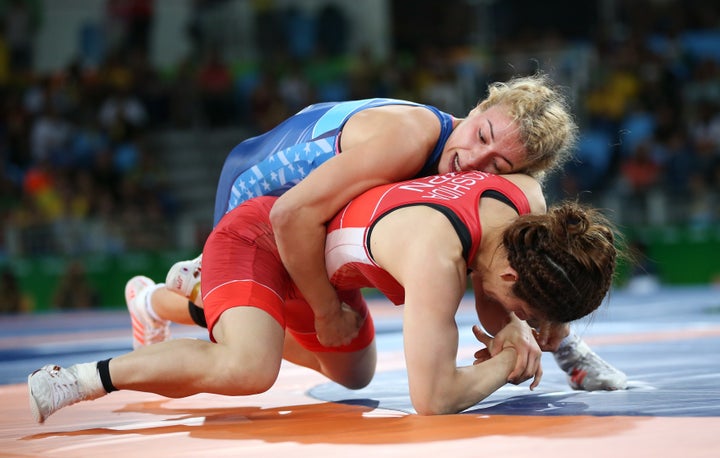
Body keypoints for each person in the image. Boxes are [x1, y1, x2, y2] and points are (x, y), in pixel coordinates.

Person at [133, 72, 626, 390]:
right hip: (261, 202)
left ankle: (161, 301)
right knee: (246, 338)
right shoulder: (408, 140)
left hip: (314, 211)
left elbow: (505, 280)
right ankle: (170, 299)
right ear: (477, 109)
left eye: (497, 164)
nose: (472, 161)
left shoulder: (497, 187)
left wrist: (547, 343)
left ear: (520, 174)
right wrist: (326, 312)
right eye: (481, 136)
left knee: (350, 372)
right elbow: (290, 216)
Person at [28, 171, 619, 422]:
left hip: (319, 273)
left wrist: (531, 333)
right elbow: (434, 398)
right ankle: (74, 379)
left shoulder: (524, 200)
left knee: (355, 371)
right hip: (264, 236)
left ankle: (162, 302)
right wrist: (512, 359)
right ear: (514, 279)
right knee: (248, 367)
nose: (524, 324)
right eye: (528, 313)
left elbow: (500, 302)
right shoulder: (435, 261)